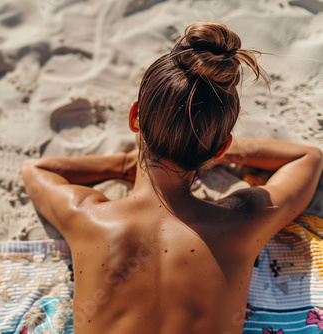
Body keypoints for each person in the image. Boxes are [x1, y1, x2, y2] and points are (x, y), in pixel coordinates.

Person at [21, 22, 323, 334]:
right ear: (222, 146)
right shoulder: (240, 224)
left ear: (134, 117)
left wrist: (123, 162)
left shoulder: (87, 216)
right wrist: (210, 148)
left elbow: (37, 170)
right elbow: (307, 158)